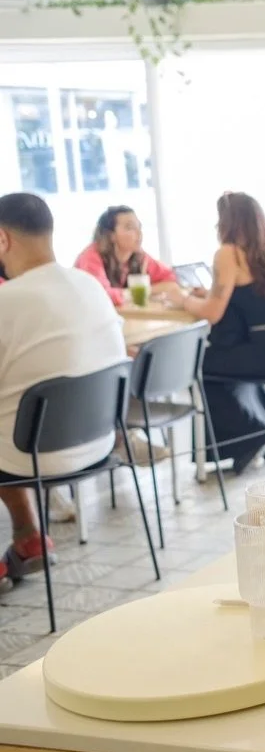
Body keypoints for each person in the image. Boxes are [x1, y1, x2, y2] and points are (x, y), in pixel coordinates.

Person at [0, 193, 126, 590]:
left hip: (32, 456)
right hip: (98, 445)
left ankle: (25, 536)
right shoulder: (90, 285)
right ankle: (29, 537)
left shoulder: (7, 302)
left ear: (3, 240)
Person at [168, 192, 265, 474]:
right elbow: (250, 294)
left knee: (199, 365)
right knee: (224, 360)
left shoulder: (228, 253)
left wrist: (182, 300)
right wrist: (208, 295)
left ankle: (254, 434)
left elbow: (213, 312)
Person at [74, 205, 179, 307]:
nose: (139, 233)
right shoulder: (90, 257)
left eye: (139, 227)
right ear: (111, 235)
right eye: (130, 227)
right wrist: (136, 292)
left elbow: (170, 281)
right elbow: (101, 296)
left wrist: (145, 290)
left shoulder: (139, 256)